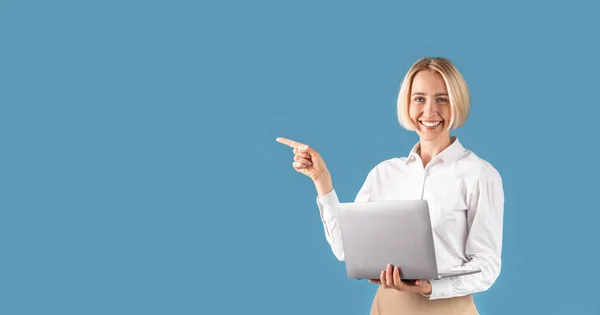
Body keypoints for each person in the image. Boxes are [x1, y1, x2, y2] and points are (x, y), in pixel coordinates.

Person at [276, 57, 504, 315]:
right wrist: (322, 180)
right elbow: (345, 250)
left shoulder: (479, 174)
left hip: (448, 307)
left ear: (457, 102)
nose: (429, 112)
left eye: (442, 99)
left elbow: (487, 267)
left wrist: (430, 286)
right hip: (387, 306)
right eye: (419, 99)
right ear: (407, 104)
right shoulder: (384, 173)